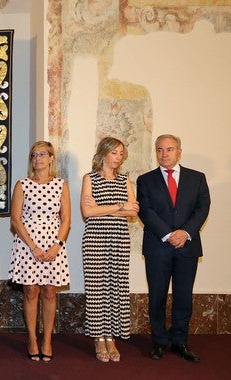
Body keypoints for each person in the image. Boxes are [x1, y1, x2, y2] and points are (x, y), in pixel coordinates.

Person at [137, 134, 210, 362]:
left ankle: (180, 341)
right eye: (159, 150)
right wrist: (168, 234)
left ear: (179, 151)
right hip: (158, 247)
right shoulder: (145, 180)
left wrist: (184, 232)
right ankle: (159, 341)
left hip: (187, 246)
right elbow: (145, 210)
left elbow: (202, 207)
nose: (164, 154)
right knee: (157, 296)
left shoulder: (197, 178)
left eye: (169, 149)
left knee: (183, 297)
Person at [9, 141, 71, 362]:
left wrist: (57, 245)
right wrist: (33, 247)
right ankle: (32, 339)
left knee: (49, 292)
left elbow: (66, 220)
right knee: (31, 291)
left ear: (51, 158)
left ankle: (47, 340)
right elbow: (15, 219)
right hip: (28, 245)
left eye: (42, 154)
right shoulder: (22, 184)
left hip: (53, 245)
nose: (38, 159)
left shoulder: (61, 184)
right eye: (34, 155)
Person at [80, 136, 139, 363]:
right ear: (103, 153)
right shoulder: (90, 178)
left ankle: (111, 337)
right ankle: (98, 337)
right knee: (96, 288)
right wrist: (119, 206)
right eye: (114, 152)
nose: (118, 157)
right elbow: (87, 212)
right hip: (95, 238)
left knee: (116, 287)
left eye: (121, 153)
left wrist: (104, 208)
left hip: (119, 239)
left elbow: (133, 212)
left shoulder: (124, 180)